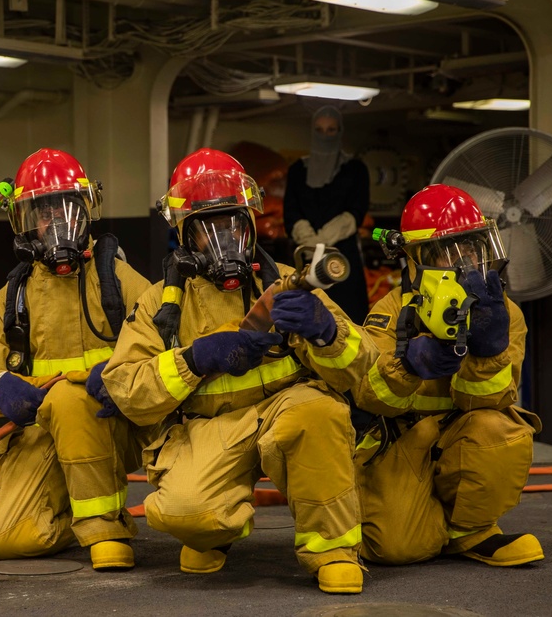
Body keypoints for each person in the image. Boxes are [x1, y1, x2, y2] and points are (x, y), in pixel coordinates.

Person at [101, 148, 378, 593]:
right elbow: (126, 389)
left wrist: (325, 331)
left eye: (233, 223)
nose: (225, 239)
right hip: (209, 429)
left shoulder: (287, 283)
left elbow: (364, 366)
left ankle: (332, 550)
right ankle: (214, 532)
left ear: (249, 224)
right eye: (208, 230)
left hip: (287, 410)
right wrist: (194, 360)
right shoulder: (159, 303)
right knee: (189, 514)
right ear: (185, 238)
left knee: (318, 414)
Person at [0, 148, 153, 570]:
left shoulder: (120, 281)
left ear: (86, 212)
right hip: (41, 433)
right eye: (42, 213)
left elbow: (163, 352)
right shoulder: (12, 297)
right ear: (25, 222)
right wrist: (0, 389)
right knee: (3, 541)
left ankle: (106, 527)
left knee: (71, 400)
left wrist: (121, 378)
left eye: (65, 209)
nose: (55, 224)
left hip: (113, 425)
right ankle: (72, 510)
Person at [352, 184, 543, 567]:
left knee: (499, 428)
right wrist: (408, 366)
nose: (466, 260)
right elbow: (368, 398)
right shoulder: (389, 313)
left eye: (472, 246)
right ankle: (424, 519)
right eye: (447, 251)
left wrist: (487, 350)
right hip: (404, 444)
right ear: (415, 260)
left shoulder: (505, 314)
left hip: (462, 434)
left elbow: (490, 400)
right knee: (398, 549)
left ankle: (471, 531)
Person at [282, 106, 370, 323]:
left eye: (331, 130)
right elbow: (291, 212)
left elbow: (355, 213)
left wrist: (320, 245)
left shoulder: (356, 169)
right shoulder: (297, 170)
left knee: (347, 319)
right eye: (319, 130)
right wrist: (310, 246)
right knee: (302, 318)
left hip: (342, 260)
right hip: (304, 259)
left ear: (339, 132)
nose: (325, 135)